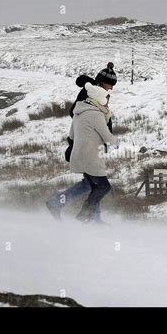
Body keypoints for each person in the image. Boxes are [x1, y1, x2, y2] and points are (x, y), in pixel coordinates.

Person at [46, 63, 117, 222]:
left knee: (90, 184)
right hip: (87, 147)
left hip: (90, 145)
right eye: (110, 84)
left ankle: (58, 204)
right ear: (102, 81)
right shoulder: (89, 94)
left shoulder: (97, 93)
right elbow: (76, 114)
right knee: (96, 185)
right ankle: (89, 217)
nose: (112, 88)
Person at [69, 83, 118, 223]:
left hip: (79, 156)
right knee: (104, 187)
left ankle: (89, 218)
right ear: (100, 99)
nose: (108, 101)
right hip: (91, 157)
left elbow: (71, 135)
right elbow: (106, 135)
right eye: (106, 98)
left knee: (94, 187)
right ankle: (84, 214)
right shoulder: (96, 114)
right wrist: (116, 143)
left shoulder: (78, 112)